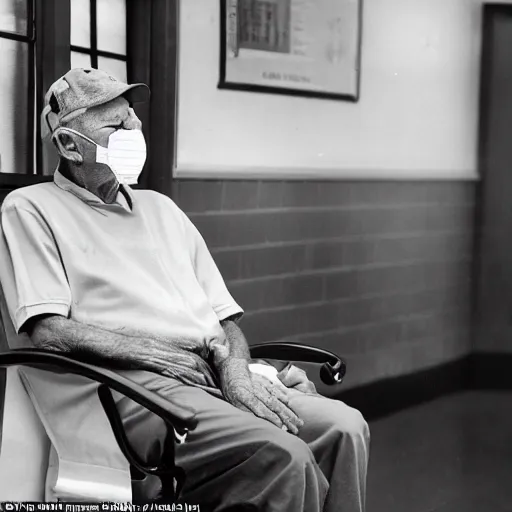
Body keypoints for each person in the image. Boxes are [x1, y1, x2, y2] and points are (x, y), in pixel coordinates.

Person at [0, 68, 370, 511]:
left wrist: (236, 372)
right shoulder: (30, 209)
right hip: (131, 389)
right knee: (283, 454)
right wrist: (156, 354)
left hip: (209, 375)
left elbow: (226, 318)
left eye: (132, 118)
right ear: (68, 145)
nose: (134, 130)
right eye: (116, 126)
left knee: (345, 426)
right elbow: (48, 332)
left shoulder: (162, 209)